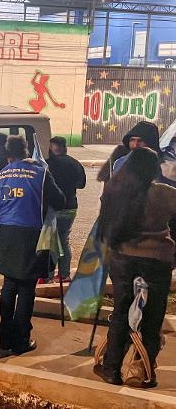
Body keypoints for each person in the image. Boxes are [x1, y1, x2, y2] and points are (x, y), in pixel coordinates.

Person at [94, 147, 176, 387]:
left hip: (122, 259)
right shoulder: (165, 193)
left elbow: (105, 224)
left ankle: (111, 369)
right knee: (152, 317)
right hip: (157, 261)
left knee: (120, 312)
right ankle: (144, 372)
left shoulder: (114, 190)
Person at [0, 135, 65, 354]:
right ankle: (21, 340)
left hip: (6, 234)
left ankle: (5, 338)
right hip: (32, 235)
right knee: (26, 289)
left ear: (8, 155)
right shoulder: (41, 173)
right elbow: (59, 201)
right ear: (27, 153)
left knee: (8, 285)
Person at [43, 136, 86, 283]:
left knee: (51, 243)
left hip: (55, 207)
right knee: (63, 240)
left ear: (53, 147)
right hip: (71, 206)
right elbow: (82, 184)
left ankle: (48, 276)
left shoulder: (49, 164)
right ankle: (64, 274)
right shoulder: (75, 163)